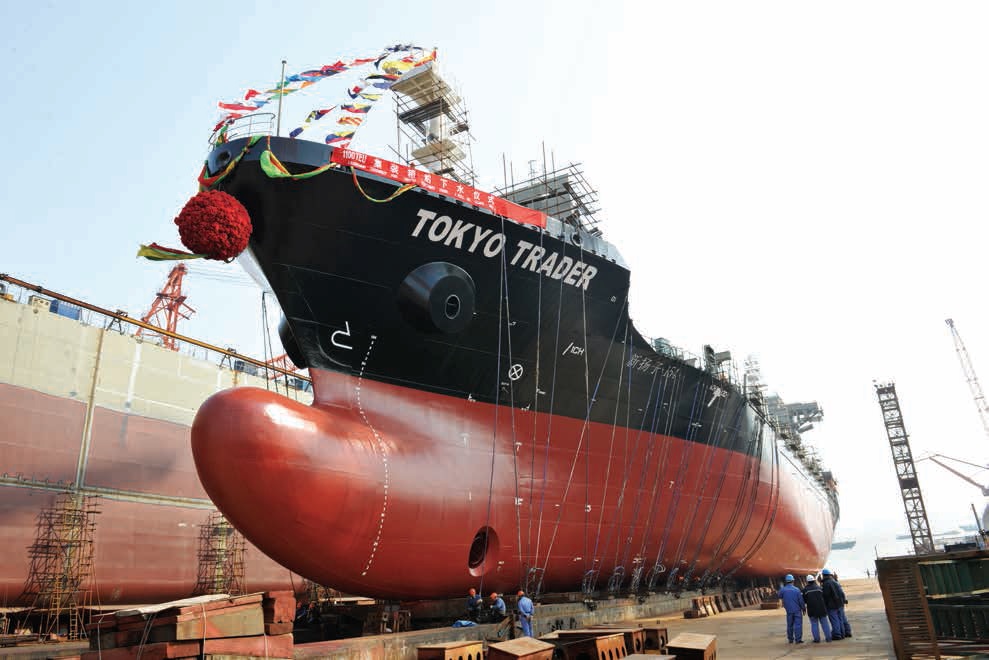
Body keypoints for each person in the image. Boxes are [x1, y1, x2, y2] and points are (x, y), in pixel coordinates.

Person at [801, 574, 832, 643]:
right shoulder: (819, 588)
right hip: (822, 609)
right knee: (825, 624)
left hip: (812, 610)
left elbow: (804, 600)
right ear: (814, 580)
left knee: (814, 624)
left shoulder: (805, 590)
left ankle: (817, 639)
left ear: (807, 581)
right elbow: (824, 597)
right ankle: (829, 638)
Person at [777, 574, 804, 644]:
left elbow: (779, 596)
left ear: (786, 581)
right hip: (797, 610)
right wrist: (803, 608)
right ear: (793, 581)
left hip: (789, 610)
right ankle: (798, 639)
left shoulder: (783, 590)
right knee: (798, 625)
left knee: (790, 625)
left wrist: (782, 589)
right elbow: (801, 601)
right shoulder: (797, 589)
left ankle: (790, 639)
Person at [820, 568, 845, 640]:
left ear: (823, 575)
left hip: (832, 605)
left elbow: (826, 595)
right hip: (839, 604)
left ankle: (837, 635)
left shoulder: (826, 584)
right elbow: (841, 592)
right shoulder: (835, 582)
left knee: (834, 620)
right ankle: (842, 633)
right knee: (840, 619)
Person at [832, 571, 852, 638]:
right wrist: (844, 600)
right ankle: (848, 631)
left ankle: (842, 632)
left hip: (838, 604)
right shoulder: (837, 584)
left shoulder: (834, 584)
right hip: (841, 603)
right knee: (843, 618)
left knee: (840, 618)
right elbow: (842, 593)